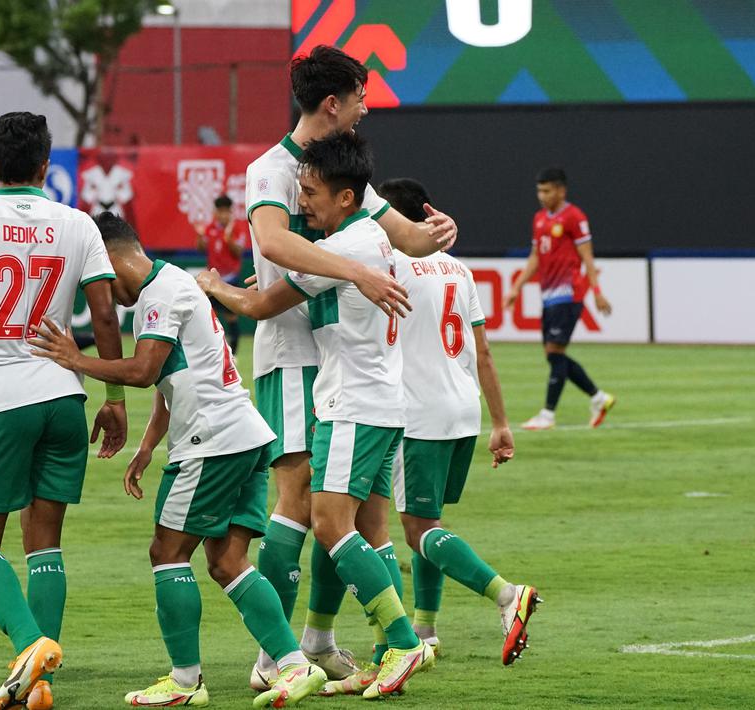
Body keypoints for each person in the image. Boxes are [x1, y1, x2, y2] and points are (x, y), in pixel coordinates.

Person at [28, 213, 327, 709]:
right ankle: (293, 666)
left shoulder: (160, 294)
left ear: (107, 258)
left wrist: (74, 359)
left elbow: (145, 370)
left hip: (211, 441)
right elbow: (175, 375)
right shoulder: (173, 284)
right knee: (228, 560)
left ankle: (185, 681)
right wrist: (147, 445)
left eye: (93, 278)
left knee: (166, 553)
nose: (96, 293)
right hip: (243, 433)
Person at [242, 44, 458, 692]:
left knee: (356, 511)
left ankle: (320, 641)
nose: (365, 110)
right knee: (302, 498)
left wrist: (437, 230)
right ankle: (273, 657)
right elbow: (275, 242)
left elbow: (408, 237)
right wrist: (357, 269)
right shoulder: (271, 169)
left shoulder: (347, 177)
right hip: (291, 349)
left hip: (340, 358)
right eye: (361, 98)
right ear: (332, 103)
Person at [200, 132, 433, 700]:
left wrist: (211, 285)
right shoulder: (365, 241)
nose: (303, 202)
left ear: (347, 198)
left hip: (350, 403)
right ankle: (374, 648)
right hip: (380, 402)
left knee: (326, 522)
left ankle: (396, 642)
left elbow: (260, 304)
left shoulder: (346, 249)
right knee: (361, 525)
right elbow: (296, 286)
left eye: (312, 193)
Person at [0, 111, 128, 710]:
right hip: (64, 395)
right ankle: (37, 682)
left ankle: (30, 643)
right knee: (45, 542)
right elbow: (109, 316)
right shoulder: (79, 224)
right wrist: (115, 398)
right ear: (47, 166)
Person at [376, 177, 541, 668]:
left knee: (416, 528)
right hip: (463, 410)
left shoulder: (390, 266)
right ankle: (425, 629)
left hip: (417, 413)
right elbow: (482, 350)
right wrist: (501, 422)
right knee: (431, 523)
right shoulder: (457, 269)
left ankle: (507, 594)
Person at [504, 167, 616, 430]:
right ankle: (599, 398)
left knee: (555, 352)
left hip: (569, 293)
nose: (542, 196)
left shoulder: (574, 217)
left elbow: (587, 256)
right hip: (549, 295)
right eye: (539, 191)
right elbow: (534, 258)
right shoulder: (540, 219)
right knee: (554, 355)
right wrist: (516, 288)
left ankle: (548, 414)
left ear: (561, 190)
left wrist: (596, 291)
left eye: (547, 190)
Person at [193, 194, 250, 354]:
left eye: (226, 211)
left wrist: (229, 238)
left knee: (232, 318)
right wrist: (199, 235)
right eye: (220, 211)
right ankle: (213, 352)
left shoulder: (236, 228)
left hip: (230, 279)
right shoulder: (210, 227)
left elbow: (238, 252)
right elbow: (200, 248)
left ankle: (234, 354)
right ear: (216, 212)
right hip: (213, 279)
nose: (223, 215)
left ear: (231, 212)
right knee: (210, 318)